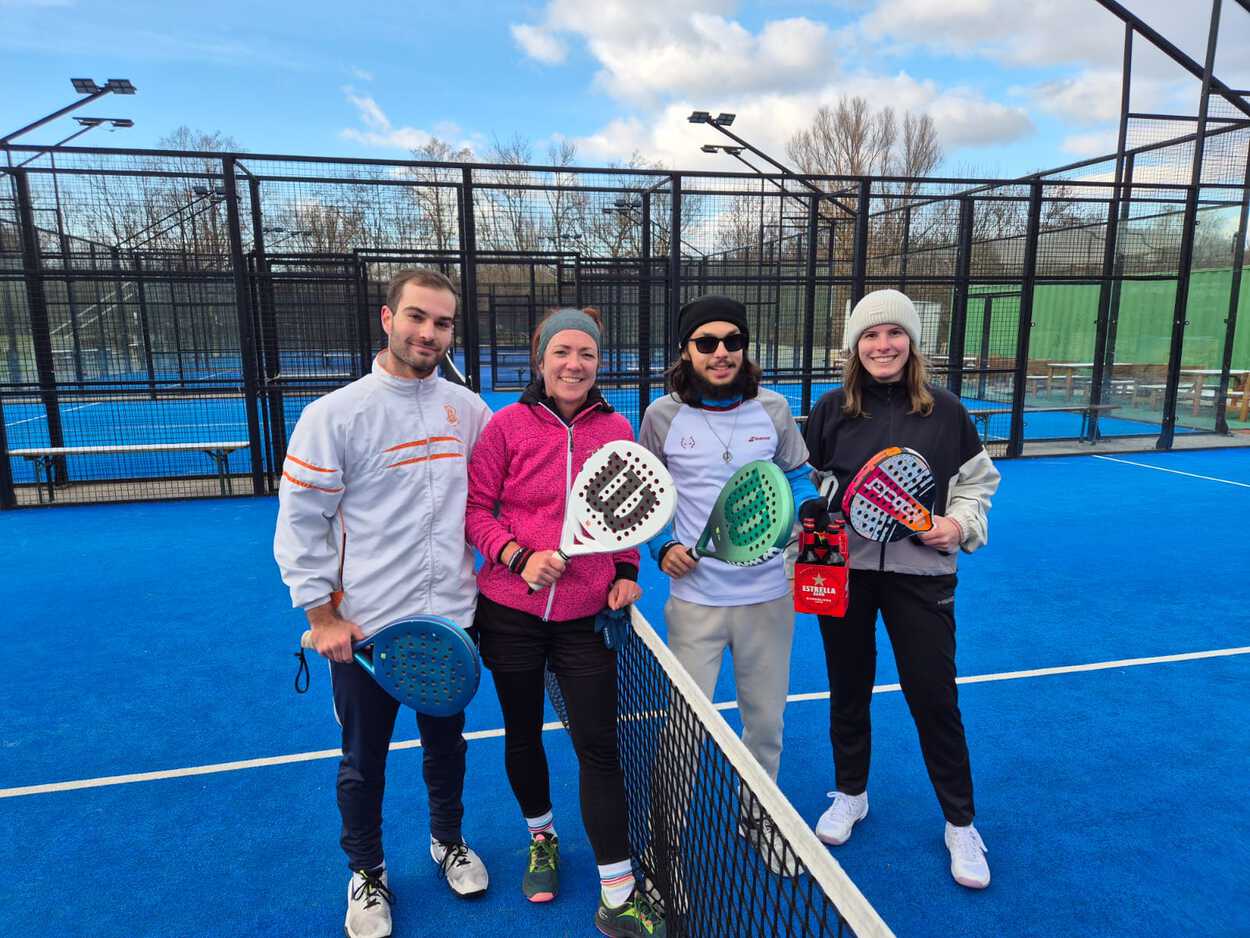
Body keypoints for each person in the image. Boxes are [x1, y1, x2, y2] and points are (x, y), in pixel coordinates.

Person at [274, 269, 492, 938]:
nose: (428, 333)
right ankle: (367, 871)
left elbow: (490, 505)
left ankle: (446, 840)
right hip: (366, 636)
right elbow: (301, 519)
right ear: (387, 318)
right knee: (363, 764)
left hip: (451, 623)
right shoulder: (334, 415)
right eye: (417, 317)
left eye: (442, 323)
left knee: (447, 748)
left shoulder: (470, 411)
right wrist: (321, 616)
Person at [465, 307, 665, 938]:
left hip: (585, 620)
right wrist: (518, 556)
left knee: (598, 748)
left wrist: (628, 571)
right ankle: (542, 839)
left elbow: (630, 510)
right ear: (540, 359)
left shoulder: (617, 427)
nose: (574, 364)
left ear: (598, 362)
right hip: (510, 612)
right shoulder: (506, 426)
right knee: (522, 734)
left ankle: (617, 890)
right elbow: (475, 510)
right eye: (562, 353)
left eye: (586, 354)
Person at [803, 288, 1001, 889]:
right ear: (853, 346)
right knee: (848, 687)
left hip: (923, 575)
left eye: (894, 335)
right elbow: (814, 482)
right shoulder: (831, 409)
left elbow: (977, 483)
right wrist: (826, 504)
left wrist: (958, 525)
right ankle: (850, 793)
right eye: (870, 335)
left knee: (933, 697)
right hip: (844, 571)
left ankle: (960, 823)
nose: (882, 345)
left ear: (912, 344)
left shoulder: (946, 410)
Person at [638, 294, 824, 872]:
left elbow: (796, 476)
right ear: (686, 351)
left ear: (745, 348)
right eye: (707, 343)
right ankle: (665, 835)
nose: (722, 353)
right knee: (684, 728)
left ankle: (759, 817)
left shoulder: (773, 409)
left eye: (732, 341)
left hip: (769, 597)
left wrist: (813, 511)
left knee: (766, 722)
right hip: (694, 603)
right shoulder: (660, 415)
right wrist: (662, 545)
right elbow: (648, 492)